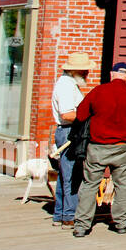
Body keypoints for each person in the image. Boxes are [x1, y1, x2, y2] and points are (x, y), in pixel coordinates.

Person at [72, 62, 126, 237]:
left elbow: (81, 114)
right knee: (122, 186)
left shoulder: (98, 92)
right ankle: (121, 223)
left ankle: (82, 225)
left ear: (111, 74)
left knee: (90, 185)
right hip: (123, 147)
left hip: (97, 147)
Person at [50, 53, 91, 227]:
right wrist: (87, 118)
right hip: (69, 132)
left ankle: (61, 212)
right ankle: (69, 214)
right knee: (72, 175)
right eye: (85, 71)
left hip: (67, 131)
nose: (88, 74)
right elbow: (66, 114)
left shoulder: (68, 84)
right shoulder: (66, 86)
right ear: (78, 71)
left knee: (64, 174)